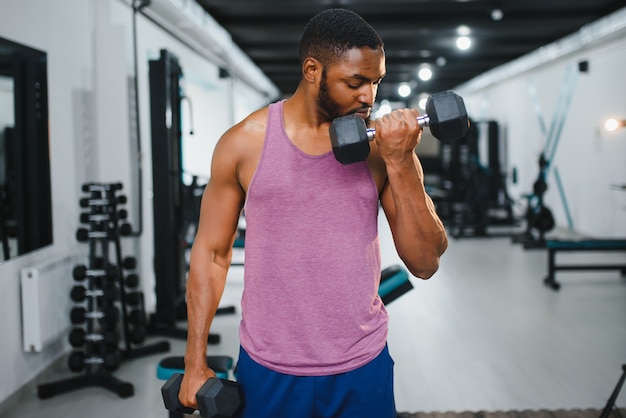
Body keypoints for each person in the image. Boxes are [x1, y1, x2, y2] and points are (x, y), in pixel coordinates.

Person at [178, 8, 448, 418]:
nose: (369, 97)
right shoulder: (244, 144)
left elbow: (425, 262)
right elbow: (213, 253)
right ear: (312, 70)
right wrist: (195, 362)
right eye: (355, 82)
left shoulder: (383, 151)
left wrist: (402, 161)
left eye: (376, 82)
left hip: (362, 365)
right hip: (269, 369)